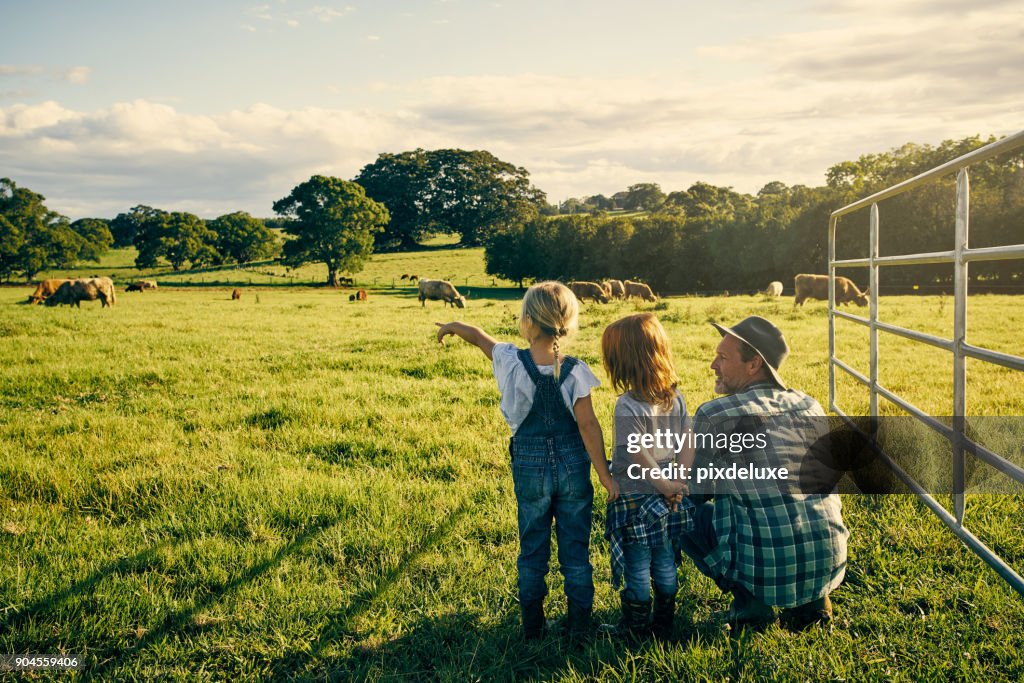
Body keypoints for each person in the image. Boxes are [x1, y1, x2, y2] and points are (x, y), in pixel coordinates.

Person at [435, 281, 617, 640]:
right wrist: (606, 475)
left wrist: (453, 327)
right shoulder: (575, 370)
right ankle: (580, 625)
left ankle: (533, 626)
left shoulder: (509, 360)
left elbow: (479, 338)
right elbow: (588, 425)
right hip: (573, 467)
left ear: (528, 322)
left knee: (533, 546)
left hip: (530, 467)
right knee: (576, 550)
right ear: (568, 322)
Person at [679, 315, 849, 630]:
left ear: (754, 364)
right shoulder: (809, 405)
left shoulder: (715, 414)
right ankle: (813, 602)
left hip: (766, 572)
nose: (713, 365)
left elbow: (695, 491)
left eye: (723, 358)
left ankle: (750, 602)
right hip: (829, 563)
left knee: (676, 506)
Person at [599, 313, 693, 641]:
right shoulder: (675, 397)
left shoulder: (627, 405)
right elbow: (687, 441)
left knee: (638, 562)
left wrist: (665, 485)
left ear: (624, 362)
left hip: (638, 493)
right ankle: (664, 623)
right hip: (669, 490)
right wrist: (677, 482)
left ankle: (635, 627)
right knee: (665, 557)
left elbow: (637, 451)